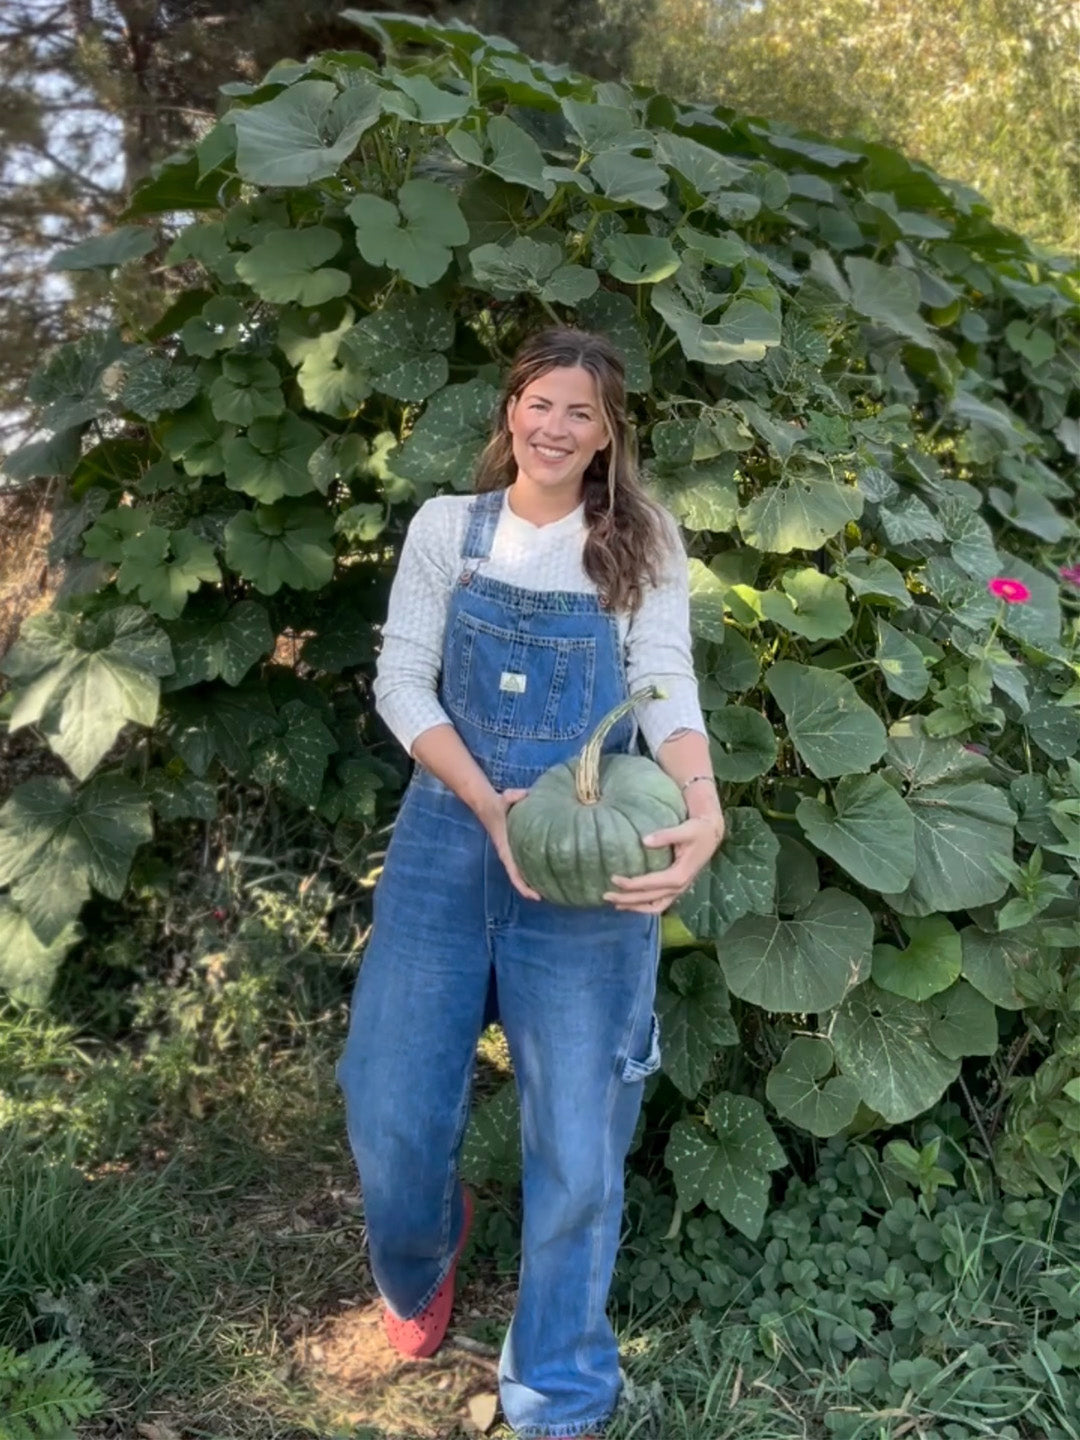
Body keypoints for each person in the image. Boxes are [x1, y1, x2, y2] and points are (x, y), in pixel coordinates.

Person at [337, 326, 725, 1440]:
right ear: (510, 409)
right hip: (450, 842)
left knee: (579, 1136)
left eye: (582, 414)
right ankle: (421, 1258)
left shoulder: (640, 539)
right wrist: (493, 804)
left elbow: (661, 680)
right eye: (539, 404)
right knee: (390, 1103)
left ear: (609, 435)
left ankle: (557, 1382)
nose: (555, 428)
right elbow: (402, 685)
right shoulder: (446, 533)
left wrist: (700, 799)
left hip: (597, 851)